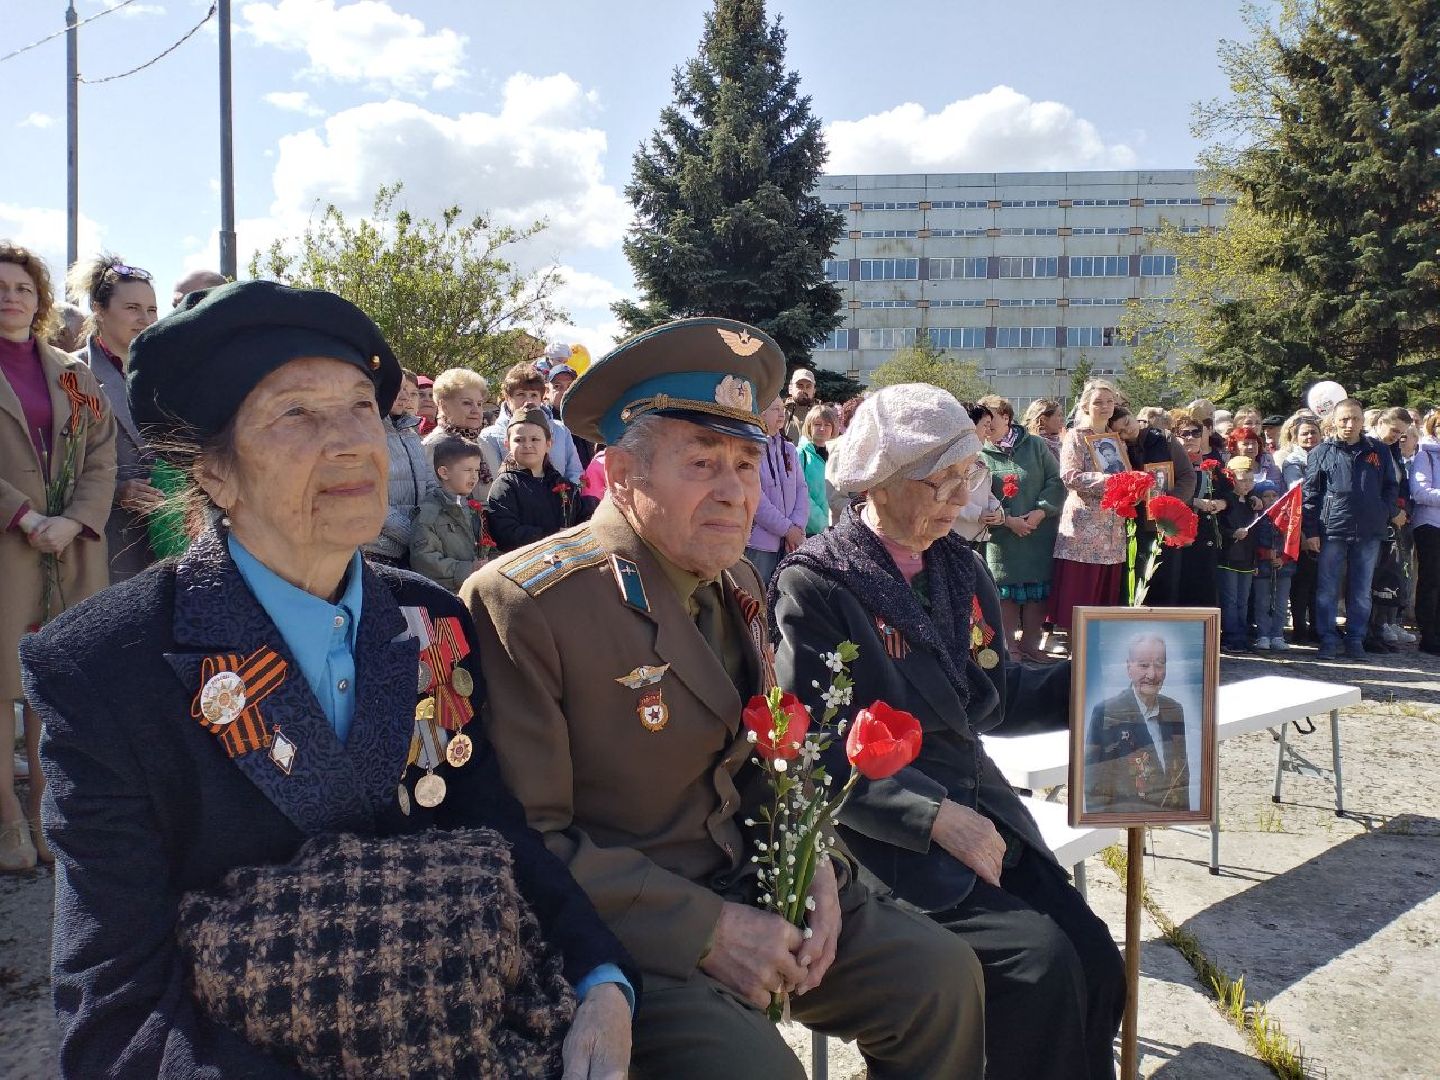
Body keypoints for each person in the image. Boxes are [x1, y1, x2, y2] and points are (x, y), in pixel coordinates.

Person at [20, 279, 635, 1076]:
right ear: (213, 471)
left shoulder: (428, 620)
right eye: (296, 415)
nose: (351, 444)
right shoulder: (106, 664)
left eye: (361, 410)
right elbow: (115, 1008)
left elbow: (493, 827)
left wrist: (600, 976)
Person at [464, 318, 987, 1079]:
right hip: (638, 922)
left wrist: (817, 863)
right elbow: (524, 840)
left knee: (941, 980)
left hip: (761, 875)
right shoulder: (529, 602)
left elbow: (772, 753)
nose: (735, 492)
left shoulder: (734, 578)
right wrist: (706, 930)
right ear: (624, 473)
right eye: (703, 462)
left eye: (746, 463)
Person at [772, 384, 1124, 1080]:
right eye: (942, 481)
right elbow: (813, 748)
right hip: (887, 829)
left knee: (1095, 959)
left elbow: (986, 698)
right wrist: (932, 816)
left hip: (979, 804)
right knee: (1035, 968)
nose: (960, 499)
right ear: (879, 480)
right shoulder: (820, 582)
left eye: (968, 477)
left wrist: (1100, 684)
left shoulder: (957, 565)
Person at [0, 243, 117, 872]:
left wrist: (74, 519)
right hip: (7, 545)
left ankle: (51, 816)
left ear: (39, 298)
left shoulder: (72, 372)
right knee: (0, 689)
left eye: (22, 287)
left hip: (70, 546)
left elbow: (101, 451)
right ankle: (7, 823)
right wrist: (23, 515)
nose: (11, 298)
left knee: (53, 686)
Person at [67, 253, 160, 581]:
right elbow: (57, 466)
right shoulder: (70, 372)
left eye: (152, 310)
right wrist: (118, 490)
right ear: (99, 309)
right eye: (132, 308)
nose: (145, 319)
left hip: (169, 542)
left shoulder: (167, 372)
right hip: (107, 546)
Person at [1302, 398, 1400, 659]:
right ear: (1334, 421)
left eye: (1355, 418)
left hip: (1369, 530)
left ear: (1362, 420)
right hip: (1331, 528)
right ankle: (1328, 638)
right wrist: (1311, 531)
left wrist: (1383, 510)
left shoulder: (1379, 451)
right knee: (1327, 590)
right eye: (1344, 419)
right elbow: (1310, 494)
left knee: (1361, 590)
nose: (1349, 424)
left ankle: (1356, 638)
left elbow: (1391, 486)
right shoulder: (1321, 452)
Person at [980, 394, 1063, 662]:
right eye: (983, 419)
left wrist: (1041, 511)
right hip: (1002, 537)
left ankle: (1031, 645)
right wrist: (1008, 520)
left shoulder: (1036, 445)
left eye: (991, 417)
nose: (987, 424)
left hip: (1039, 533)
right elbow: (978, 496)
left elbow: (1056, 480)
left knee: (1037, 590)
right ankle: (1009, 648)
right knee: (1004, 592)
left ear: (1006, 417)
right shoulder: (980, 453)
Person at [1050, 380, 1127, 644]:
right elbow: (1069, 476)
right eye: (1098, 402)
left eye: (1109, 401)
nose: (1105, 407)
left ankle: (1096, 653)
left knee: (1104, 601)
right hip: (1084, 531)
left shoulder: (1116, 439)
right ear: (1085, 405)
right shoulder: (1076, 436)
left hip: (1112, 532)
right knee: (1080, 597)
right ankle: (1076, 654)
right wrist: (1111, 481)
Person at [1085, 634, 1190, 813]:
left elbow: (1181, 774)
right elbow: (1094, 783)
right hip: (1124, 817)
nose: (1152, 674)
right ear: (1129, 668)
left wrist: (1183, 819)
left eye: (1159, 664)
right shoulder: (1107, 712)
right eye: (1143, 665)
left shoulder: (1174, 710)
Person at [485, 407, 595, 553]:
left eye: (535, 439)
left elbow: (581, 514)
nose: (527, 445)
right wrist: (551, 536)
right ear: (507, 444)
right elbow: (505, 534)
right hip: (527, 561)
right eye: (519, 440)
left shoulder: (562, 485)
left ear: (548, 444)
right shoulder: (504, 486)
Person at [363, 368, 433, 568]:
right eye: (397, 389)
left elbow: (429, 481)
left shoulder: (410, 432)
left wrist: (431, 529)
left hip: (416, 549)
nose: (404, 397)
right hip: (380, 551)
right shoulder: (367, 434)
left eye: (408, 391)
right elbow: (370, 498)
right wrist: (412, 535)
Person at [409, 435, 493, 591]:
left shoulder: (474, 508)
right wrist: (468, 569)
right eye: (467, 470)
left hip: (475, 588)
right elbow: (424, 560)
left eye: (477, 470)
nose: (474, 476)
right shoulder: (429, 513)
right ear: (444, 473)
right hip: (445, 594)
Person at [480, 362, 583, 484]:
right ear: (508, 398)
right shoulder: (490, 436)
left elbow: (575, 472)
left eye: (533, 395)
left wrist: (568, 493)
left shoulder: (560, 430)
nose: (528, 401)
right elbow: (495, 482)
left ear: (541, 398)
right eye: (521, 394)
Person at [1367, 407, 1417, 650]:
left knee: (1385, 578)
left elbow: (1400, 484)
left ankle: (1379, 629)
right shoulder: (1369, 447)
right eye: (1394, 430)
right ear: (1380, 423)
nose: (1396, 437)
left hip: (1392, 523)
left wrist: (1402, 509)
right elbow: (1372, 488)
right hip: (1372, 521)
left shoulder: (1392, 449)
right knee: (1368, 579)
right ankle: (1365, 632)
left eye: (1402, 434)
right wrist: (1393, 511)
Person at [746, 395, 808, 584]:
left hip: (791, 543)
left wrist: (797, 526)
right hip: (761, 544)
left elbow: (801, 488)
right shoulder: (751, 449)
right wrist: (787, 529)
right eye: (775, 409)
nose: (782, 414)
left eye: (783, 409)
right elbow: (756, 498)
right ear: (761, 413)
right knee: (758, 593)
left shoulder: (789, 449)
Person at [1172, 410, 1228, 608]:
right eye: (1185, 433)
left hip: (1205, 534)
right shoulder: (1171, 464)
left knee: (1205, 588)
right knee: (1180, 588)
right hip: (1178, 534)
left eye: (1196, 433)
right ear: (1176, 437)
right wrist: (1194, 501)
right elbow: (1165, 495)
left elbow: (1227, 492)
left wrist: (1221, 503)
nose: (1191, 437)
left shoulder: (1211, 464)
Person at [423, 367, 503, 502]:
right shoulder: (433, 446)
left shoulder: (484, 443)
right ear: (444, 406)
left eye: (479, 404)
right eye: (467, 403)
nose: (476, 410)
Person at [1278, 413, 1322, 642]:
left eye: (1314, 432)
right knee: (1302, 580)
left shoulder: (1326, 456)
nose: (1310, 437)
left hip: (1324, 521)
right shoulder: (1292, 461)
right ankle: (1300, 627)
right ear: (1295, 437)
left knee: (1319, 581)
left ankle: (1318, 625)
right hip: (1301, 522)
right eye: (1305, 433)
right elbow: (1297, 490)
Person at [1216, 456, 1261, 652]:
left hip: (1247, 560)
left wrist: (1255, 561)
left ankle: (1242, 635)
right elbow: (1218, 528)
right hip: (1228, 558)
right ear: (1232, 478)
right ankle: (1230, 637)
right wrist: (1232, 533)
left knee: (1243, 601)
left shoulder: (1251, 502)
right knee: (1230, 601)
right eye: (1243, 480)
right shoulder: (1226, 500)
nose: (1247, 484)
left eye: (1251, 480)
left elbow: (1255, 535)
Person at [1251, 482, 1294, 651]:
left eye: (1274, 495)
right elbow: (1252, 543)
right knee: (1262, 602)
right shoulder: (1256, 517)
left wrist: (1283, 558)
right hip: (1262, 567)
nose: (1271, 499)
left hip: (1283, 567)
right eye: (1266, 496)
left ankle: (1277, 635)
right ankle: (1263, 635)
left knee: (1281, 603)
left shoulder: (1287, 517)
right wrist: (1265, 554)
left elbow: (1292, 541)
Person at [1412, 411, 1440, 655]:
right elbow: (1420, 492)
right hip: (1430, 525)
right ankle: (1428, 635)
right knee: (1431, 580)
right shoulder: (1425, 454)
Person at [796, 404, 840, 535]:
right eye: (817, 424)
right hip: (810, 532)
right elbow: (801, 496)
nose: (822, 428)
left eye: (827, 425)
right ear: (809, 426)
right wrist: (824, 526)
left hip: (837, 531)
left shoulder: (839, 456)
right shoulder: (799, 454)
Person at [547, 361, 596, 468]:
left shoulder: (585, 418)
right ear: (547, 391)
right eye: (557, 386)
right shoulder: (545, 422)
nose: (565, 392)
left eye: (570, 386)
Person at [781, 366, 817, 443]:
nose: (804, 390)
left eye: (808, 386)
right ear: (790, 389)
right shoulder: (780, 411)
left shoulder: (820, 413)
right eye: (799, 386)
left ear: (814, 390)